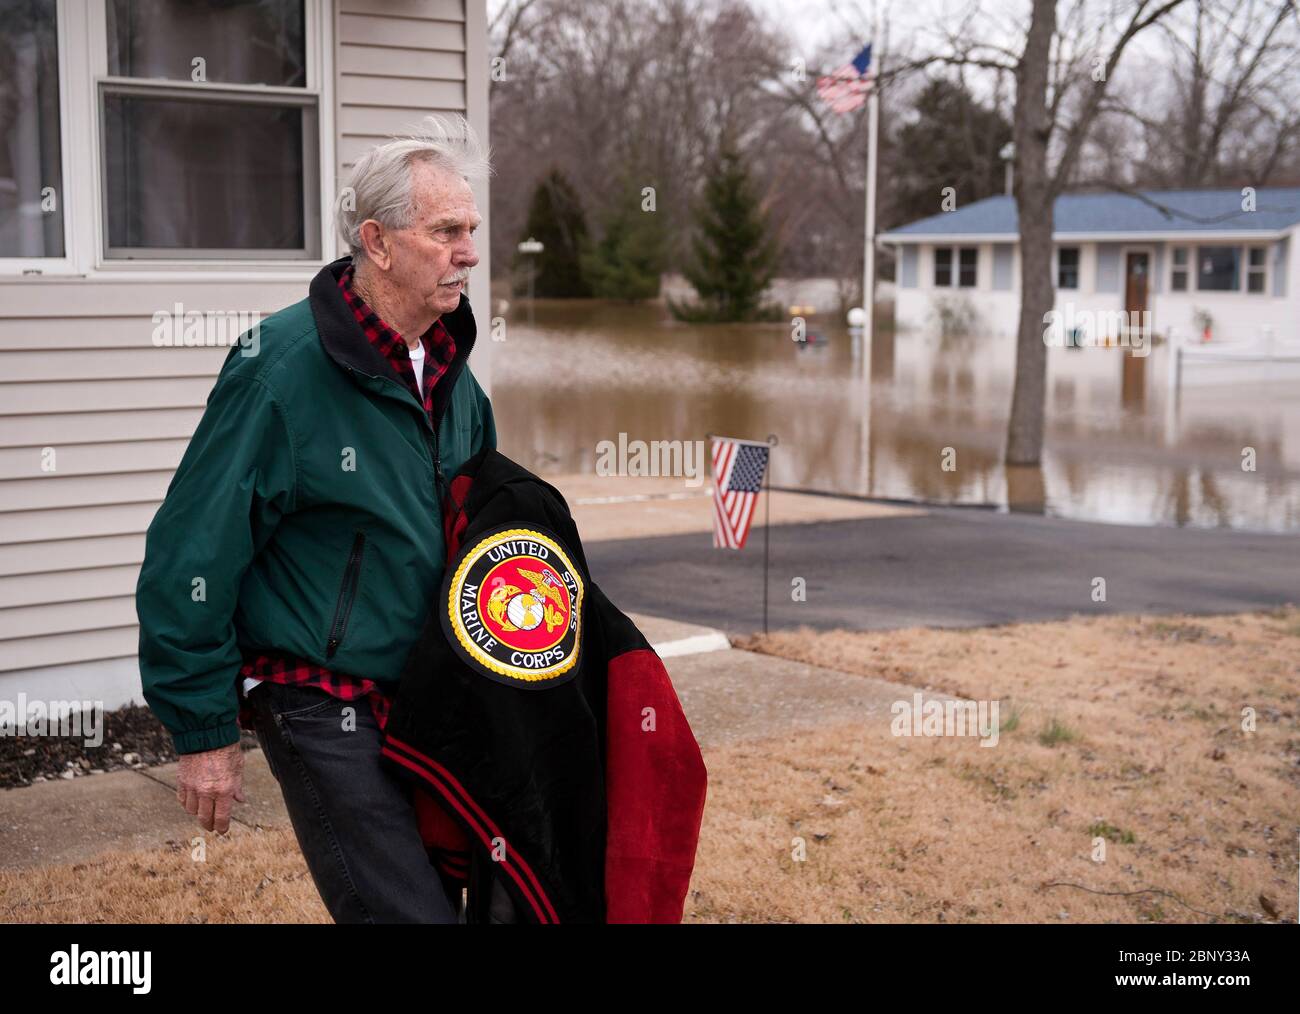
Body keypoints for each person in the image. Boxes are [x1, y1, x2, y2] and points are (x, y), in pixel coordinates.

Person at [135, 114, 498, 923]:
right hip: (316, 694)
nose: (469, 251)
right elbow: (192, 548)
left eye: (471, 230)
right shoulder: (280, 370)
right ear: (376, 240)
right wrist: (202, 727)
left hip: (423, 690)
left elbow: (483, 532)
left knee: (455, 893)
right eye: (445, 231)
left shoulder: (449, 368)